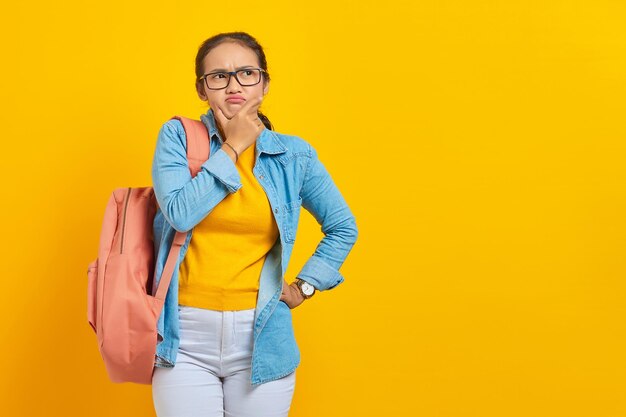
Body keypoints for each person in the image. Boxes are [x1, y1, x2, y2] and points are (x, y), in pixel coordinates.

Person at [149, 31, 358, 417]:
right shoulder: (178, 137)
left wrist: (305, 286)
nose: (233, 85)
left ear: (264, 84)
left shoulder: (294, 156)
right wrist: (233, 146)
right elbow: (179, 213)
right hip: (185, 338)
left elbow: (343, 225)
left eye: (246, 73)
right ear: (202, 89)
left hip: (261, 337)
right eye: (218, 76)